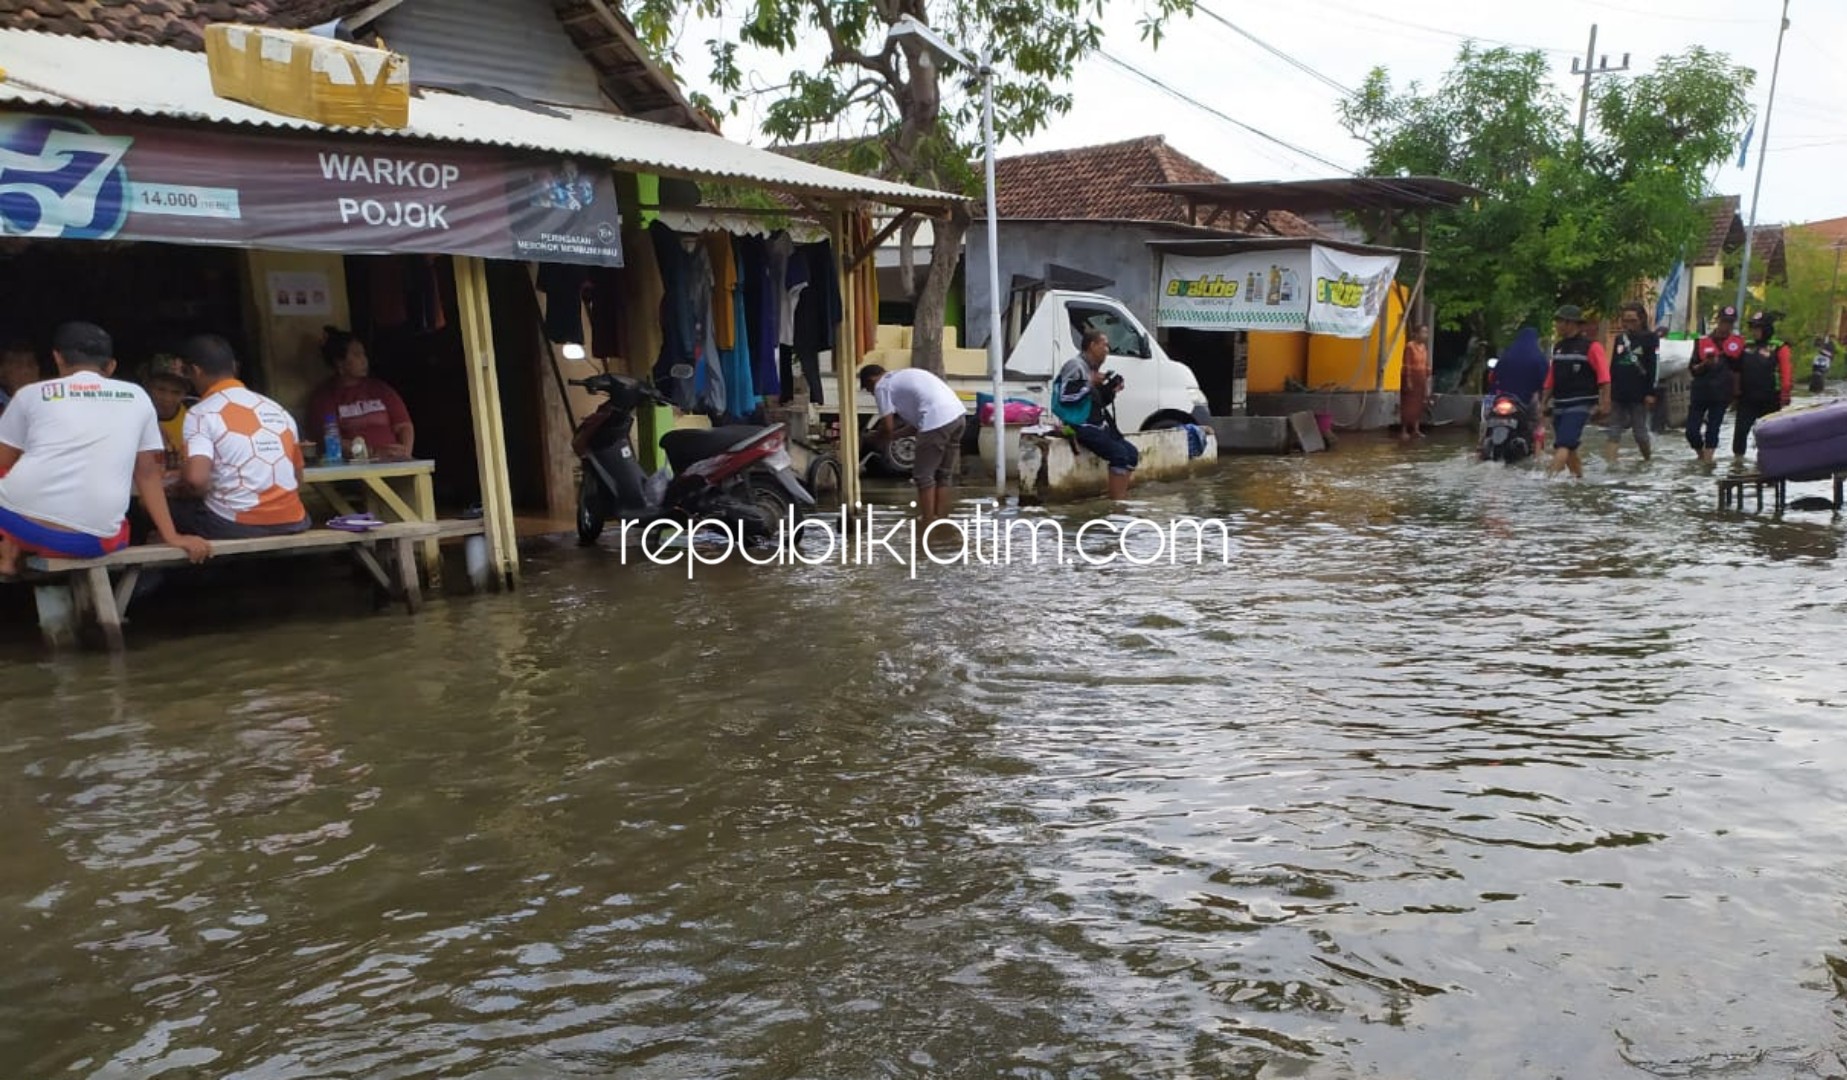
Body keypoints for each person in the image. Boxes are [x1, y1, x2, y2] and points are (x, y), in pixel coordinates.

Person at [0, 322, 208, 576]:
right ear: (110, 366)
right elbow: (148, 474)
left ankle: (8, 555)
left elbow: (3, 461)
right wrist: (172, 536)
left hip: (20, 529)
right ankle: (11, 555)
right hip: (93, 542)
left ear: (57, 358)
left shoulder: (30, 395)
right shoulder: (137, 396)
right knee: (118, 523)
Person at [172, 333, 313, 539]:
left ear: (195, 371)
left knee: (156, 505)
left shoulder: (200, 413)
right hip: (294, 520)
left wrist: (178, 488)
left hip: (232, 524)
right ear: (235, 368)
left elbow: (196, 481)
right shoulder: (278, 409)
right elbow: (297, 477)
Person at [857, 363, 966, 525]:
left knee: (923, 476)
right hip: (958, 417)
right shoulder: (902, 376)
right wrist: (893, 437)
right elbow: (915, 426)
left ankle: (927, 521)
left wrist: (875, 438)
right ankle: (942, 519)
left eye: (868, 389)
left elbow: (887, 426)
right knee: (943, 474)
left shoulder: (882, 386)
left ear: (872, 380)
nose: (872, 393)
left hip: (937, 420)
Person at [1054, 328, 1138, 500]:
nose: (1107, 349)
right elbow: (1065, 396)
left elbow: (1095, 402)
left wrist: (1111, 389)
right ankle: (1117, 506)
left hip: (1097, 422)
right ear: (1092, 345)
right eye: (1104, 345)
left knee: (1131, 454)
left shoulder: (1092, 370)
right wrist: (1090, 382)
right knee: (1119, 455)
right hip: (1078, 423)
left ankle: (1120, 498)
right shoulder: (1075, 365)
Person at [307, 327, 415, 461]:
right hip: (355, 468)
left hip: (394, 461)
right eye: (357, 355)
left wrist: (405, 453)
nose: (364, 360)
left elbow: (404, 426)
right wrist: (372, 452)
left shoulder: (380, 389)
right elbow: (331, 440)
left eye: (364, 354)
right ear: (340, 363)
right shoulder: (324, 397)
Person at [1540, 305, 1611, 479]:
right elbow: (1551, 378)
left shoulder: (1592, 347)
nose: (1556, 325)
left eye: (1559, 321)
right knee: (1570, 447)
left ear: (1570, 323)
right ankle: (1579, 480)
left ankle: (1548, 481)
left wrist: (1605, 402)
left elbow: (1604, 377)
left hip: (1581, 404)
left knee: (1563, 444)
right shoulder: (1558, 348)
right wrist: (1543, 403)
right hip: (1560, 404)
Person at [1686, 305, 1744, 464]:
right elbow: (1692, 369)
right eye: (1724, 321)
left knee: (1713, 430)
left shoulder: (1738, 344)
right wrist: (1706, 363)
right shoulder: (1702, 342)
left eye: (1730, 323)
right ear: (1718, 321)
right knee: (1691, 432)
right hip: (1700, 393)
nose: (1727, 326)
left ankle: (1707, 462)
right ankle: (1700, 454)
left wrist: (1737, 395)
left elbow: (1739, 371)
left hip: (1721, 394)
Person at [1732, 312, 1792, 458]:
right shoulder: (1745, 346)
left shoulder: (1779, 347)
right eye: (1753, 328)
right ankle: (1738, 464)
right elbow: (1736, 371)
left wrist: (1785, 393)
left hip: (1770, 398)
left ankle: (1768, 461)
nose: (1754, 331)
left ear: (1766, 329)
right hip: (1747, 398)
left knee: (1769, 434)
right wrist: (1734, 393)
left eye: (1758, 328)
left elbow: (1786, 371)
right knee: (1740, 433)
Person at [1604, 302, 1659, 463]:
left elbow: (1653, 365)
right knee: (1614, 429)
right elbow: (1613, 365)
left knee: (1639, 431)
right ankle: (1611, 465)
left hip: (1639, 393)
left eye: (1633, 320)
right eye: (1625, 320)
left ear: (1641, 319)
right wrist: (1608, 393)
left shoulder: (1650, 338)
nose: (1628, 324)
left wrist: (1650, 393)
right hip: (1619, 391)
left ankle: (1647, 460)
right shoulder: (1620, 339)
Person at [139, 353, 193, 467]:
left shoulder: (194, 415)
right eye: (161, 389)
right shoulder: (135, 416)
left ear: (185, 393)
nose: (167, 398)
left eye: (176, 392)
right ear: (148, 386)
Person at [1399, 322, 1431, 442]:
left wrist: (1427, 377)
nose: (1425, 335)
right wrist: (1408, 380)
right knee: (1408, 404)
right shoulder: (1410, 346)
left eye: (1426, 332)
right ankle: (1404, 430)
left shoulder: (1424, 348)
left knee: (1419, 404)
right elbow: (1406, 364)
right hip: (1411, 376)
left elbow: (1426, 364)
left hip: (1421, 377)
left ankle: (1416, 429)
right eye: (1423, 332)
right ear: (1416, 334)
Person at [0, 339, 41, 417]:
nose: (26, 371)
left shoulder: (47, 401)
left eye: (31, 363)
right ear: (1, 370)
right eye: (18, 364)